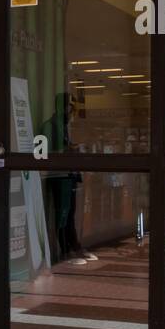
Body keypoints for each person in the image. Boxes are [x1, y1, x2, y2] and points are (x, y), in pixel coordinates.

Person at [41, 93, 95, 266]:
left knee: (69, 213)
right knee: (63, 214)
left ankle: (73, 246)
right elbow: (42, 152)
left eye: (71, 110)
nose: (70, 113)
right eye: (67, 109)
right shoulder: (50, 126)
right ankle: (65, 250)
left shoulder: (63, 126)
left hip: (68, 175)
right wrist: (67, 151)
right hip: (59, 175)